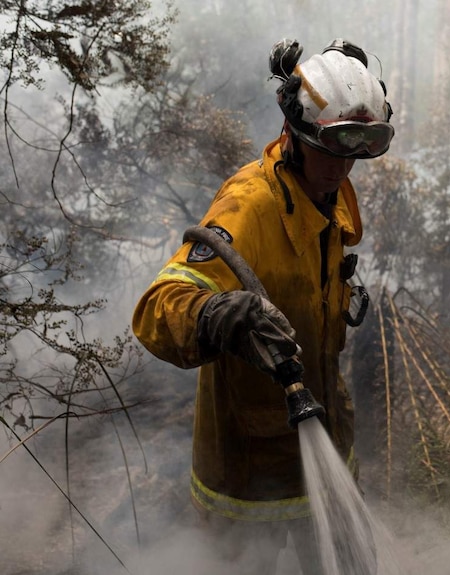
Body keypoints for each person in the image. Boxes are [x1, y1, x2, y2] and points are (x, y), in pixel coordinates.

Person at [132, 37, 394, 574]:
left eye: (353, 152)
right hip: (248, 475)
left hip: (325, 446)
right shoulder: (248, 205)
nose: (341, 168)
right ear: (294, 133)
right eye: (329, 148)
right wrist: (214, 314)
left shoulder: (333, 193)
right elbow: (158, 308)